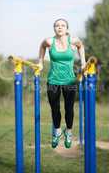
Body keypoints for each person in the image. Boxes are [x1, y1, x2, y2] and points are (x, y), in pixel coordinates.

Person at [38, 18, 86, 148]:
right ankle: (58, 131)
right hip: (53, 80)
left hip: (69, 80)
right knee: (55, 108)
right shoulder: (49, 41)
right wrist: (40, 62)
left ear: (67, 29)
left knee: (69, 109)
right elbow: (42, 46)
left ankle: (69, 132)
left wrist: (83, 62)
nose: (60, 27)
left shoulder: (73, 41)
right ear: (54, 28)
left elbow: (81, 47)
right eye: (57, 25)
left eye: (62, 25)